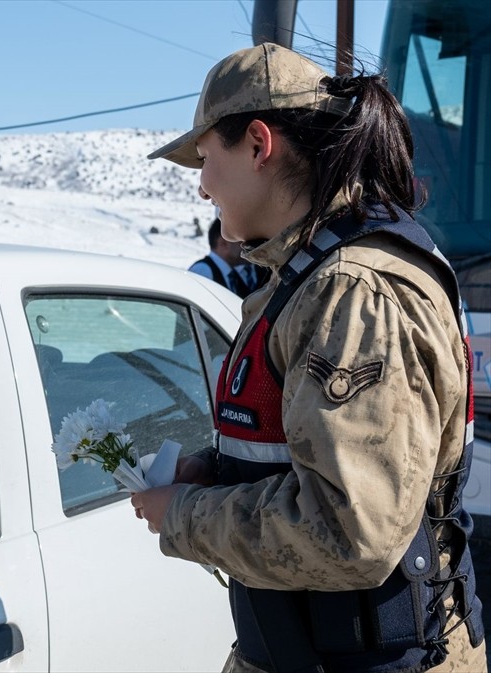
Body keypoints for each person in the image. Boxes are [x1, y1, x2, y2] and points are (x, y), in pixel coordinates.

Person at [132, 43, 485, 672]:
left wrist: (183, 515)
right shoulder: (311, 275)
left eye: (207, 158)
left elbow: (352, 534)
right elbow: (307, 444)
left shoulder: (350, 290)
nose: (204, 183)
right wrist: (214, 470)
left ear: (259, 144)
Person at [189, 215, 264, 298]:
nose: (247, 248)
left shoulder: (233, 275)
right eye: (241, 243)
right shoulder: (203, 270)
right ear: (223, 244)